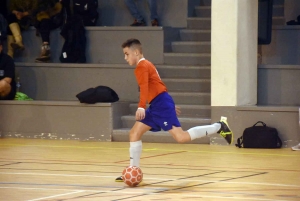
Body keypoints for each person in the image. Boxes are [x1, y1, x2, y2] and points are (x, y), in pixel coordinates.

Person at [115, 38, 233, 182]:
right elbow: (158, 85)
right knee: (134, 133)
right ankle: (132, 170)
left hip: (160, 105)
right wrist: (167, 104)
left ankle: (219, 126)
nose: (125, 58)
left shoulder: (141, 66)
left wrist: (141, 106)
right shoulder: (147, 65)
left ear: (136, 52)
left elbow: (145, 87)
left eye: (127, 54)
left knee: (181, 137)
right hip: (158, 105)